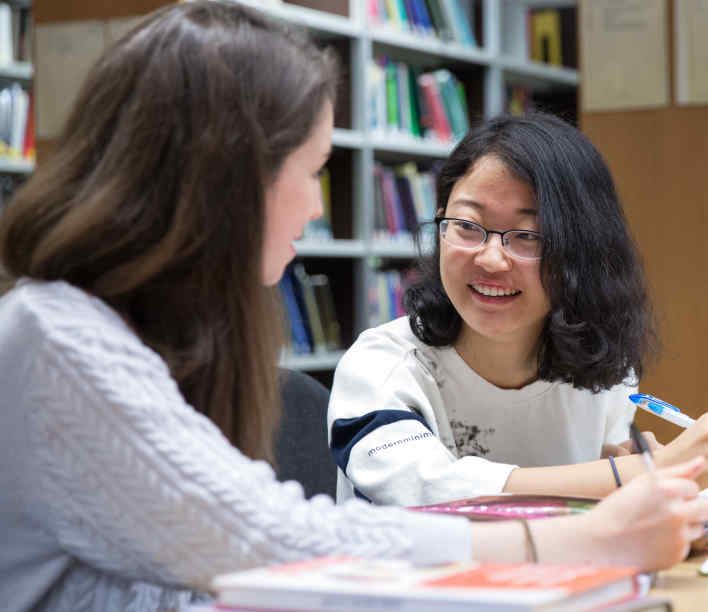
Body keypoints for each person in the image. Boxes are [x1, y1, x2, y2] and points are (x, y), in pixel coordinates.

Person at [0, 4, 705, 612]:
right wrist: (594, 523)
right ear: (225, 179)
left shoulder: (154, 340)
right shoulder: (57, 341)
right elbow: (266, 539)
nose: (315, 204)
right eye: (308, 173)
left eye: (528, 236)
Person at [328, 112, 708, 507]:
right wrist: (636, 475)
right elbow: (428, 494)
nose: (491, 259)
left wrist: (650, 500)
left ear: (581, 252)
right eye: (468, 226)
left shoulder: (606, 378)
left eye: (528, 236)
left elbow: (597, 523)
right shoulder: (381, 367)